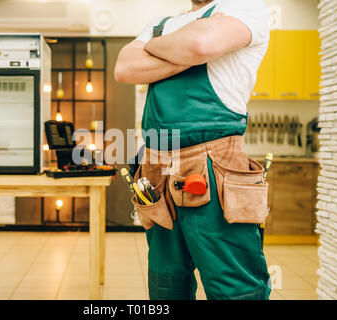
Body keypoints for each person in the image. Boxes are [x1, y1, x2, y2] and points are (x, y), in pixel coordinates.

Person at [115, 0, 272, 300]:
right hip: (156, 172)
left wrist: (154, 48)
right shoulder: (159, 24)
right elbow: (124, 67)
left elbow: (199, 44)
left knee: (234, 289)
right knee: (166, 285)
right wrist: (188, 50)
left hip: (216, 168)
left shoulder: (246, 7)